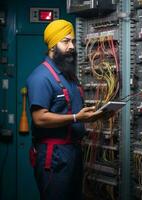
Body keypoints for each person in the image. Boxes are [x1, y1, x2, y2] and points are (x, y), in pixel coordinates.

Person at [26, 19, 103, 200]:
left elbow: (73, 109)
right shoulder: (41, 77)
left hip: (73, 153)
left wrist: (94, 114)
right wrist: (76, 117)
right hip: (54, 156)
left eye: (73, 41)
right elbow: (40, 118)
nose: (72, 46)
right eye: (66, 41)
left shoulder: (68, 76)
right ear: (53, 46)